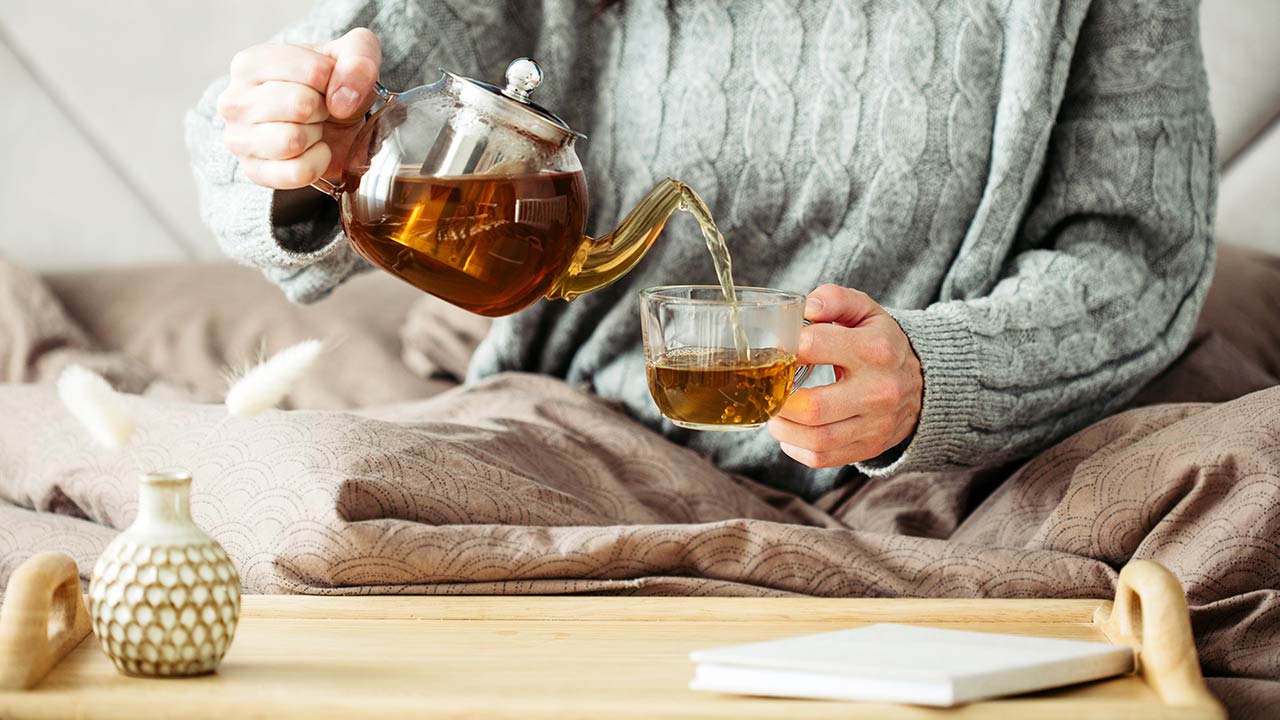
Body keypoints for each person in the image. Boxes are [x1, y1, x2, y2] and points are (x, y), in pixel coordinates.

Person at [188, 0, 1216, 501]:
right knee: (301, 488)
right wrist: (298, 144)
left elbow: (1135, 253)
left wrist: (931, 375)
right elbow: (346, 104)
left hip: (951, 477)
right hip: (575, 440)